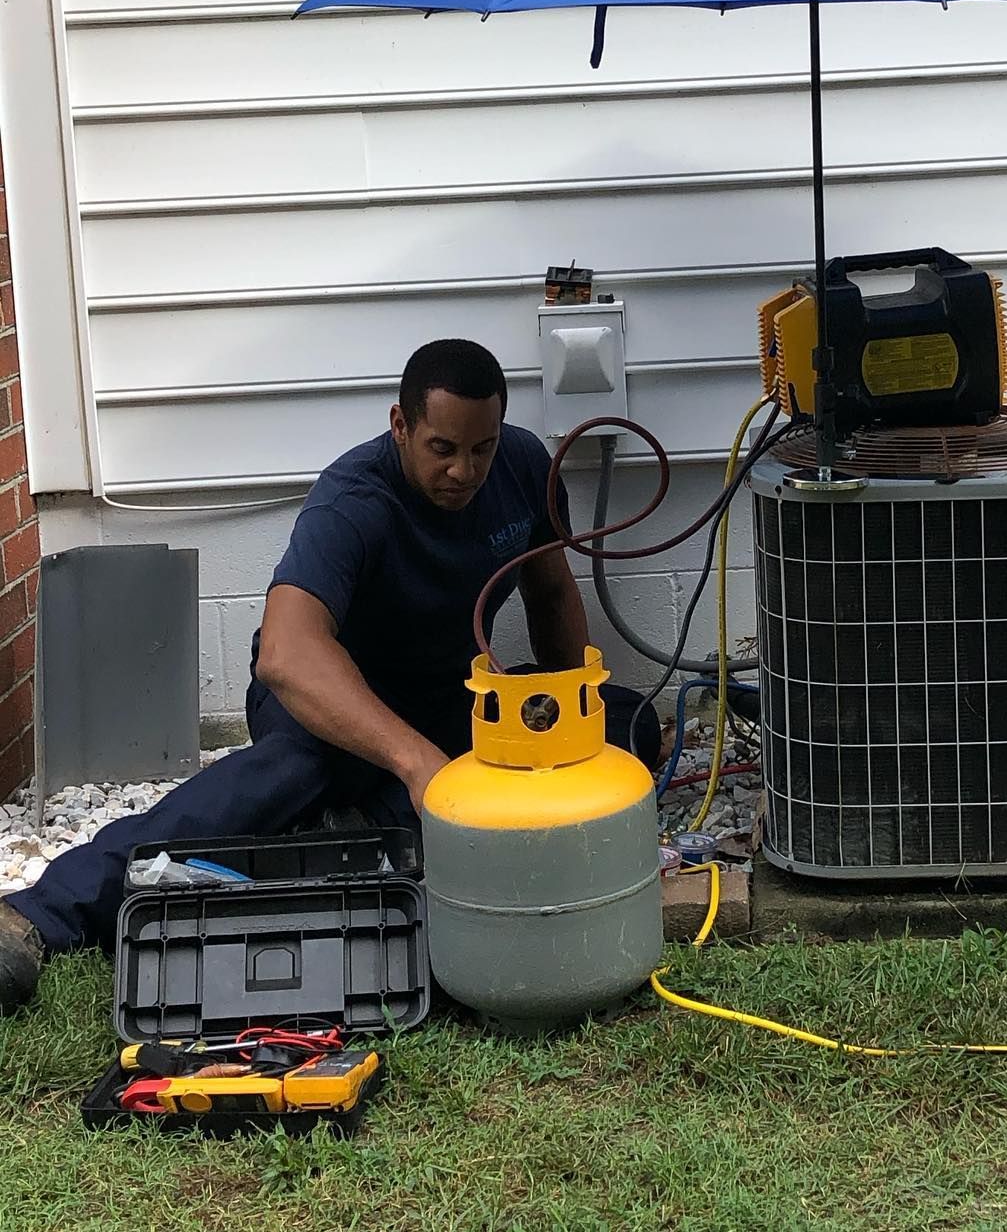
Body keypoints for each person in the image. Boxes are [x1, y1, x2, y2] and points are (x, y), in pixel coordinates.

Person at [0, 339, 659, 1010]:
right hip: (328, 706)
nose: (464, 470)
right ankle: (40, 913)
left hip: (445, 698)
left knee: (629, 723)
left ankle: (348, 831)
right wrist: (416, 763)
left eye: (480, 448)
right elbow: (286, 656)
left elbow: (549, 595)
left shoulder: (522, 466)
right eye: (442, 450)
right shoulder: (353, 500)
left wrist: (574, 721)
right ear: (400, 426)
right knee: (294, 771)